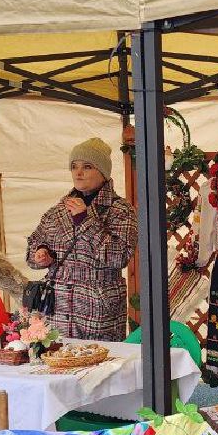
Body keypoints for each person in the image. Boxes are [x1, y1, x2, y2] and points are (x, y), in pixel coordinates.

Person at [26, 137, 139, 342]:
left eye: (87, 166)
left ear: (103, 172)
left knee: (100, 367)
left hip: (98, 304)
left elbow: (118, 257)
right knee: (57, 363)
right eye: (74, 166)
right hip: (56, 308)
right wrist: (41, 254)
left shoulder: (120, 210)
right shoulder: (59, 210)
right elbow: (34, 243)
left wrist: (85, 220)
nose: (78, 172)